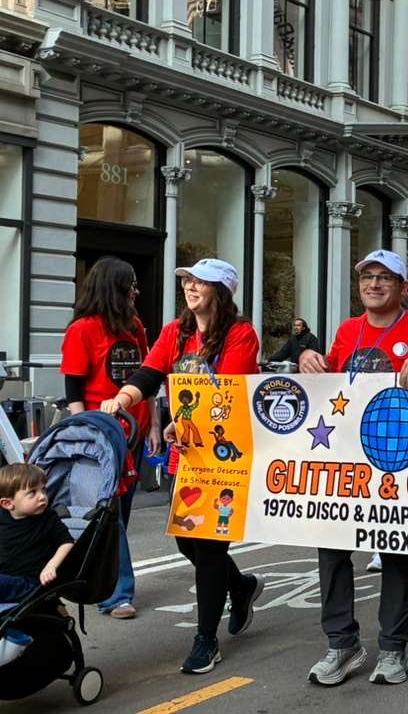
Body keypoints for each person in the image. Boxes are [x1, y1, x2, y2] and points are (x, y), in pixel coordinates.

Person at [298, 249, 408, 687]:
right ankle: (342, 644)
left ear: (403, 288)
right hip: (348, 464)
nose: (373, 284)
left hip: (400, 466)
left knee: (397, 552)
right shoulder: (347, 331)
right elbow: (330, 382)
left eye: (384, 278)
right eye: (367, 276)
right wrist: (308, 361)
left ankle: (393, 648)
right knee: (332, 549)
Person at [101, 258, 264, 674]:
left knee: (207, 545)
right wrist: (122, 398)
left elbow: (228, 393)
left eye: (200, 282)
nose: (190, 287)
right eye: (187, 281)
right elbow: (150, 373)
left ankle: (206, 640)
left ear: (220, 291)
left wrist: (184, 420)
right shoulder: (176, 332)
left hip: (225, 454)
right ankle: (241, 586)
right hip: (186, 453)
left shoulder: (240, 334)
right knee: (186, 542)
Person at [60, 256, 162, 620]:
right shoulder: (82, 330)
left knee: (120, 514)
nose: (136, 291)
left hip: (134, 433)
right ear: (115, 288)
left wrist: (153, 424)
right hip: (101, 437)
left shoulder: (134, 327)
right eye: (131, 285)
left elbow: (148, 376)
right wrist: (81, 433)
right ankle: (118, 593)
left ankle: (101, 580)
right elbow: (73, 386)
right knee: (110, 514)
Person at [0, 464, 74, 603]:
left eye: (43, 490)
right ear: (7, 504)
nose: (42, 497)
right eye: (33, 492)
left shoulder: (48, 518)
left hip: (30, 583)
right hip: (6, 578)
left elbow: (67, 543)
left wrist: (51, 566)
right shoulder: (2, 518)